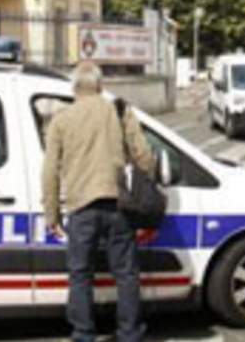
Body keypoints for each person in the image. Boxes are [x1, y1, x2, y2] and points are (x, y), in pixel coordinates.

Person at [42, 61, 156, 342]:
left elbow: (49, 172)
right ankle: (130, 333)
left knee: (80, 274)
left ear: (74, 89)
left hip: (81, 207)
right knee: (126, 274)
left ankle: (83, 333)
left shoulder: (61, 119)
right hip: (118, 206)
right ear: (100, 85)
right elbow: (144, 156)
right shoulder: (119, 111)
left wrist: (52, 215)